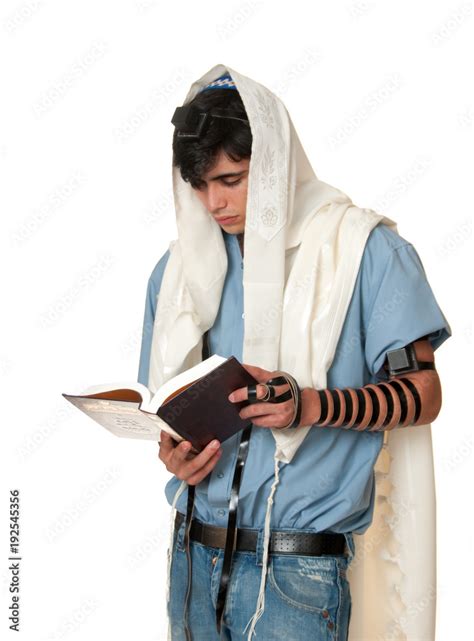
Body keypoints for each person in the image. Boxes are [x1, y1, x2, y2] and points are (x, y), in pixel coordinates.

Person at [137, 66, 451, 641]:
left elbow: (423, 394)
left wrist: (310, 406)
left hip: (296, 575)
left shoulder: (366, 253)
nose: (214, 203)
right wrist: (172, 454)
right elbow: (164, 408)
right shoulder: (179, 272)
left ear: (276, 164)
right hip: (191, 561)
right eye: (200, 184)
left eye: (231, 179)